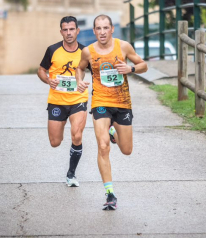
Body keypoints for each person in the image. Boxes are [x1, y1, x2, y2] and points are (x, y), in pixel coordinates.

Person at [75, 14, 148, 210]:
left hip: (122, 102)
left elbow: (144, 66)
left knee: (126, 150)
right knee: (103, 145)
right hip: (100, 101)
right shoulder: (88, 51)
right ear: (94, 31)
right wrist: (79, 81)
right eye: (98, 28)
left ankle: (112, 131)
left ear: (112, 29)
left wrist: (130, 69)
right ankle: (110, 193)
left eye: (105, 28)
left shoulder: (123, 46)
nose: (102, 32)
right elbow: (79, 68)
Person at [37, 16, 91, 187]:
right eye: (65, 30)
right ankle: (70, 160)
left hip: (78, 99)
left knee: (77, 135)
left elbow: (96, 72)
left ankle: (71, 174)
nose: (68, 33)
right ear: (61, 31)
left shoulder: (86, 52)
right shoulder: (52, 50)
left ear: (77, 31)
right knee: (55, 142)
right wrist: (48, 80)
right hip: (57, 101)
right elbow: (41, 70)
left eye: (72, 29)